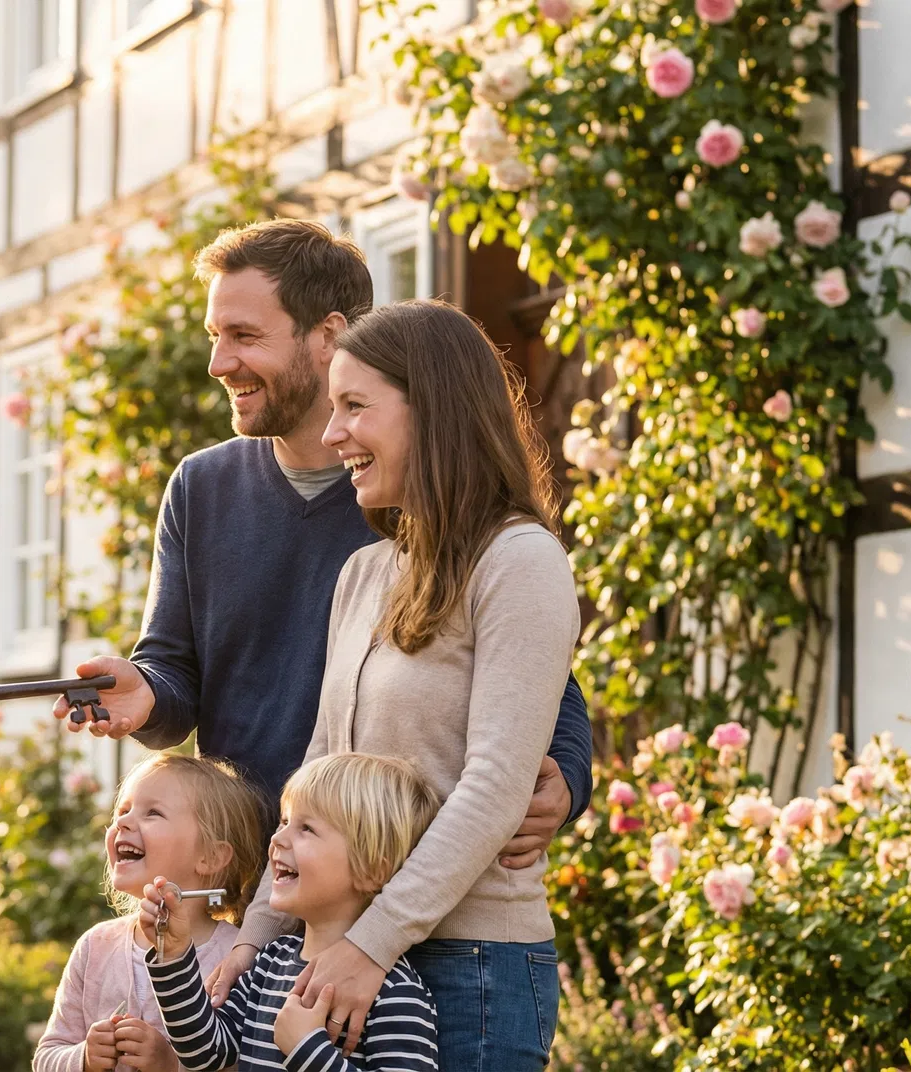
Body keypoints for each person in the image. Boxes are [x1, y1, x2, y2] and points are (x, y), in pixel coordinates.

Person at [51, 219, 592, 987]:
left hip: (411, 900)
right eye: (215, 334)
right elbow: (174, 673)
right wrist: (146, 694)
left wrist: (567, 768)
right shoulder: (206, 490)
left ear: (327, 335)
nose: (218, 362)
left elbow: (526, 675)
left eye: (243, 334)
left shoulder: (408, 498)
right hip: (270, 887)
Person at [239, 300, 580, 1068]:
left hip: (471, 965)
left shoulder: (520, 562)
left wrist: (373, 942)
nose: (332, 436)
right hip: (350, 951)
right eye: (333, 408)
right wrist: (257, 934)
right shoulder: (363, 574)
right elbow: (319, 777)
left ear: (437, 412)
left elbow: (495, 783)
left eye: (356, 406)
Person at [140, 753, 442, 1071]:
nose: (277, 838)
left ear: (370, 871)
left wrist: (307, 1049)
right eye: (284, 822)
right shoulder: (269, 962)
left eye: (306, 829)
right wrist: (172, 954)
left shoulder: (396, 994)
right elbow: (204, 1053)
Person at [35, 754, 267, 1072]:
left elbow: (247, 1065)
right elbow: (47, 1056)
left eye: (153, 813)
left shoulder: (235, 960)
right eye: (123, 810)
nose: (122, 823)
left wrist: (171, 1065)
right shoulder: (95, 946)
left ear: (211, 856)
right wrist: (84, 1058)